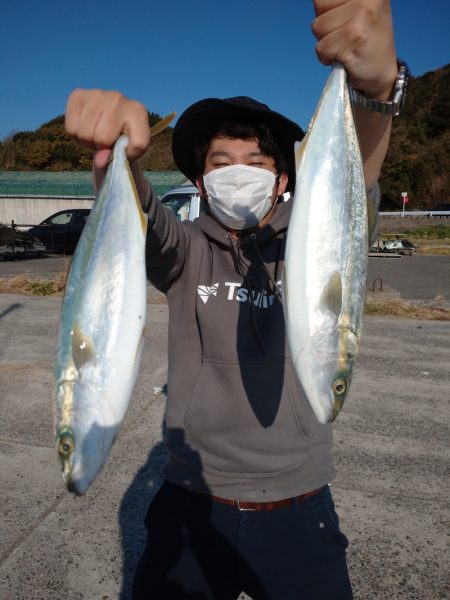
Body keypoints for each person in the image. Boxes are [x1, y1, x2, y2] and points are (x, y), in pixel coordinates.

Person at [65, 1, 403, 597]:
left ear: (284, 179)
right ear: (200, 183)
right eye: (221, 164)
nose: (237, 174)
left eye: (256, 163)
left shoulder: (309, 241)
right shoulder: (185, 249)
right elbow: (135, 215)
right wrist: (113, 154)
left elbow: (355, 184)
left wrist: (376, 93)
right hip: (192, 502)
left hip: (300, 505)